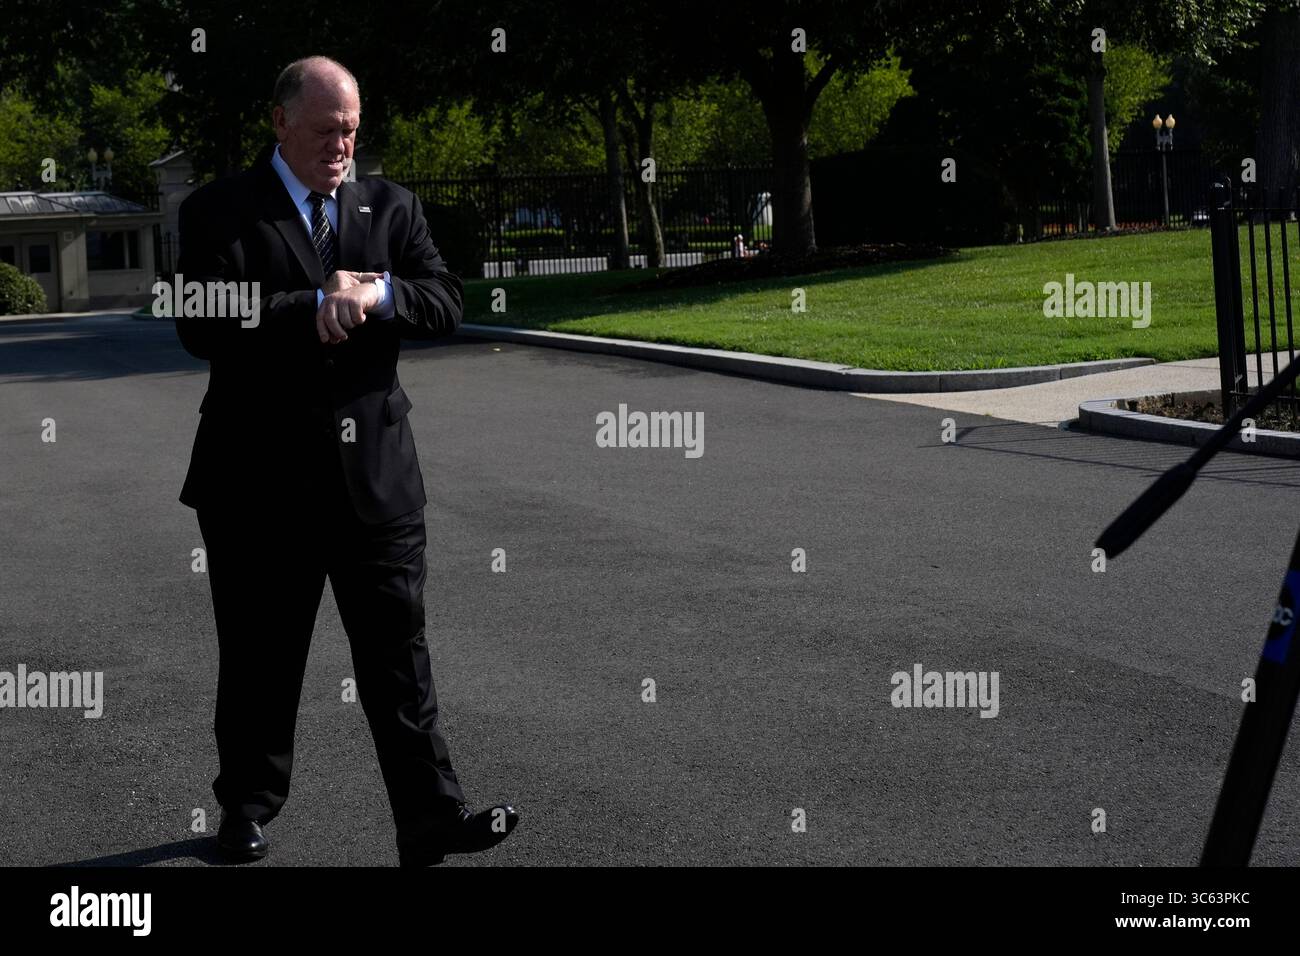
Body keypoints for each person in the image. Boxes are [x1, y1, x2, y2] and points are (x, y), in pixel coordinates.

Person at [174, 55, 518, 867]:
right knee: (260, 658)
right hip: (258, 483)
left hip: (377, 484)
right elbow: (199, 315)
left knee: (400, 661)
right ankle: (245, 810)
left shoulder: (390, 206)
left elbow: (446, 300)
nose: (343, 143)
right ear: (280, 121)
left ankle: (433, 819)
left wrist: (379, 295)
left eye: (353, 128)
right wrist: (311, 305)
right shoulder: (220, 210)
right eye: (328, 128)